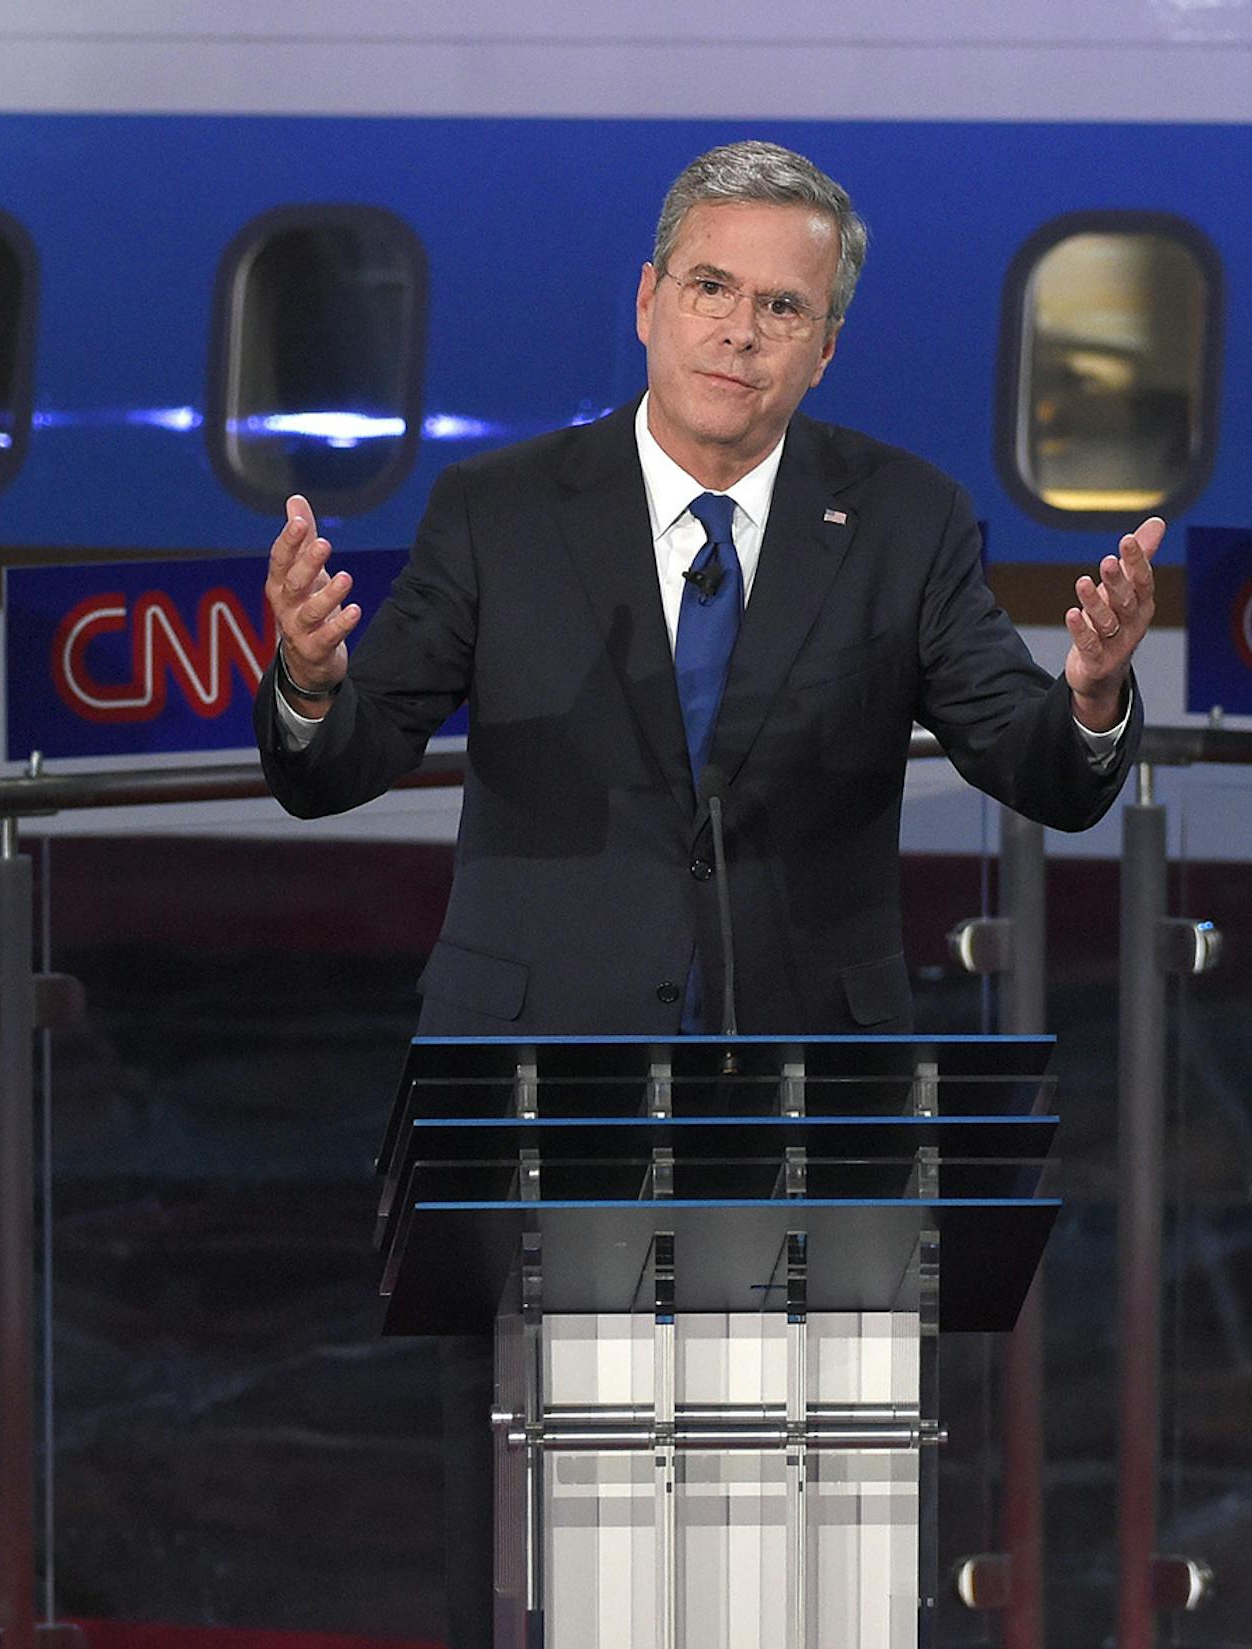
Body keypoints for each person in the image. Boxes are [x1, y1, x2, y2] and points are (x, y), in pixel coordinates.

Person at [255, 141, 1153, 1646]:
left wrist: (1095, 695)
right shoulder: (501, 509)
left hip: (815, 1095)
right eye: (712, 289)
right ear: (649, 302)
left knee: (798, 1556)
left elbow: (1036, 762)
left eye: (781, 307)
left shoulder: (908, 519)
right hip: (540, 1094)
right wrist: (304, 677)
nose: (738, 330)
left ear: (825, 345)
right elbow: (342, 764)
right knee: (547, 1555)